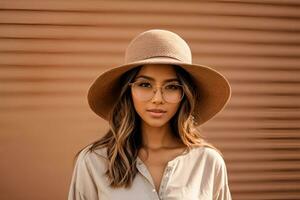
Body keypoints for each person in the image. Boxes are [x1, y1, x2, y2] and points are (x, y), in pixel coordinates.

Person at [67, 29, 232, 200]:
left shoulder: (208, 162)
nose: (157, 99)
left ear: (185, 95)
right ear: (128, 91)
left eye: (172, 86)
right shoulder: (94, 161)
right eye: (145, 85)